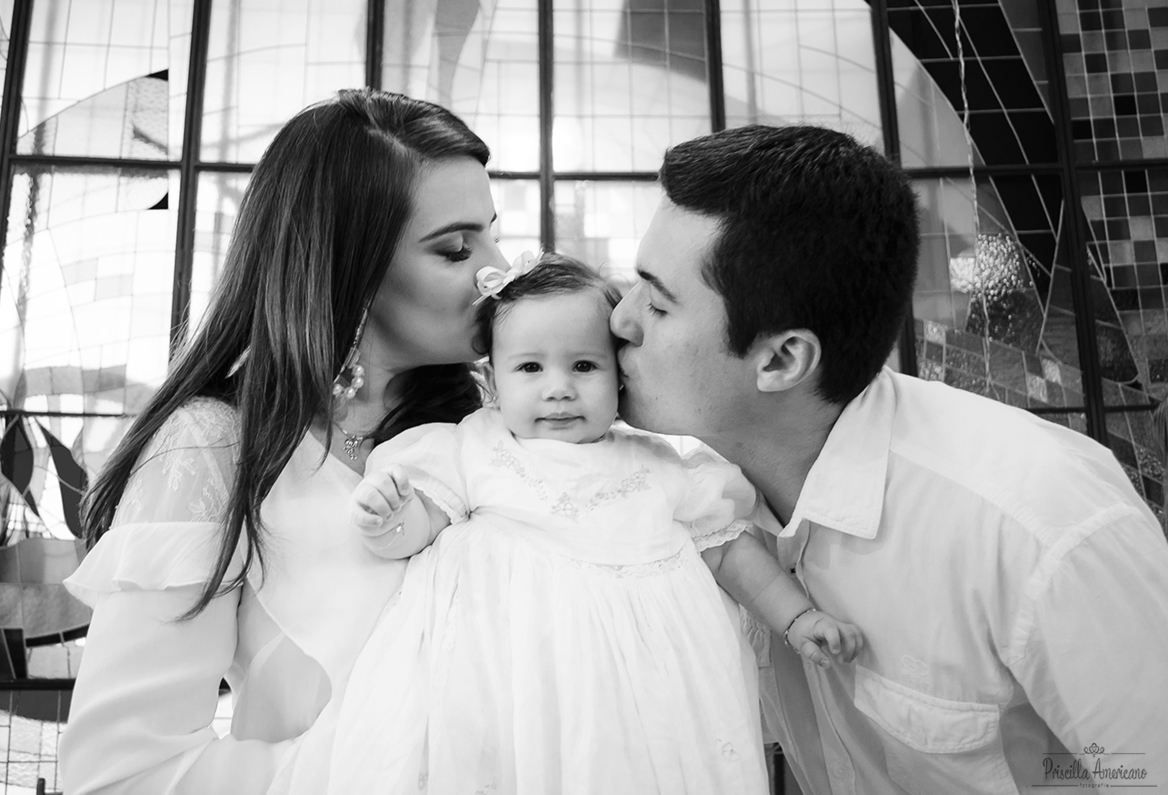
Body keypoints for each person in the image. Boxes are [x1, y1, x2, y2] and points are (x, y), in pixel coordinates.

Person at [609, 123, 1168, 793]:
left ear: (782, 359)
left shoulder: (1039, 525)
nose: (620, 320)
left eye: (657, 303)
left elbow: (1145, 769)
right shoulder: (691, 502)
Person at [58, 88, 510, 794]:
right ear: (348, 267)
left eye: (493, 233)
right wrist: (384, 770)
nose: (498, 270)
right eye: (456, 249)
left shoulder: (497, 428)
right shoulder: (214, 449)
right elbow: (120, 775)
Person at [324, 254, 863, 793]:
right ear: (492, 378)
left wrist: (795, 617)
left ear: (620, 375)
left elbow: (729, 550)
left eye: (584, 366)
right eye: (530, 368)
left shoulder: (660, 465)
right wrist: (392, 517)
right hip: (520, 693)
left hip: (649, 701)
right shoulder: (475, 446)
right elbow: (424, 527)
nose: (558, 388)